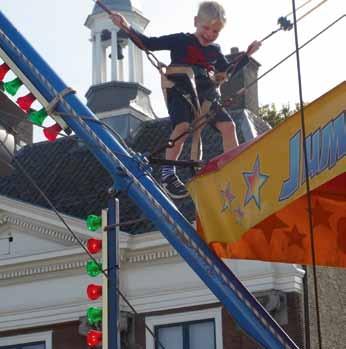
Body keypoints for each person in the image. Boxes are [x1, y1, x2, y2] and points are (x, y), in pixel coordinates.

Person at [110, 1, 261, 199]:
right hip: (180, 90)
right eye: (206, 28)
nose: (209, 34)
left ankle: (230, 164)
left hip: (205, 97)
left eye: (215, 31)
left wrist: (246, 55)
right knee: (182, 127)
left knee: (229, 127)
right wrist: (126, 26)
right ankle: (168, 173)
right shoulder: (181, 40)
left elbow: (227, 72)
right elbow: (149, 43)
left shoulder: (215, 51)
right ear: (196, 22)